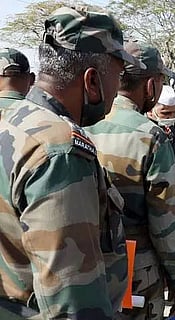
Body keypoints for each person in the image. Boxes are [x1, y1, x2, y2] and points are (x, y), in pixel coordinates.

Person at [0, 6, 145, 319]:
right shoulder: (61, 148)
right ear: (92, 81)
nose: (116, 90)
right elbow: (72, 300)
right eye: (117, 77)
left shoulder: (13, 120)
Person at [86, 42, 175, 319]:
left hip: (86, 264)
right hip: (137, 269)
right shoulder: (150, 135)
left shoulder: (81, 123)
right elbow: (167, 221)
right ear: (150, 85)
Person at [148, 85, 175, 208]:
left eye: (174, 113)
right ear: (151, 110)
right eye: (166, 113)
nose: (171, 117)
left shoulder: (171, 130)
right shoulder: (147, 133)